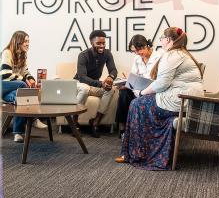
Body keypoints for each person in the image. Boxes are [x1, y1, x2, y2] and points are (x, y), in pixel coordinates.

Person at [115, 27, 204, 170]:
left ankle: (138, 153)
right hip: (184, 100)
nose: (161, 40)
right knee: (137, 102)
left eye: (162, 38)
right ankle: (141, 151)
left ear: (168, 40)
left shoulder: (172, 55)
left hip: (180, 100)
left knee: (137, 104)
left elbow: (162, 83)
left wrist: (142, 92)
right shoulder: (180, 53)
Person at [0, 30, 46, 143]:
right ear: (18, 42)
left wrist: (30, 79)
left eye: (28, 41)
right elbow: (5, 75)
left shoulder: (22, 56)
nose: (27, 44)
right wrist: (25, 82)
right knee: (22, 85)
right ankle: (34, 119)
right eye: (25, 41)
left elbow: (25, 72)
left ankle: (18, 133)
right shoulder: (7, 53)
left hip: (7, 87)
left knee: (19, 97)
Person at [73, 30, 118, 138]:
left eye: (103, 43)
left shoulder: (107, 53)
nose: (102, 45)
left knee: (110, 90)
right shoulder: (83, 55)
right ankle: (74, 123)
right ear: (91, 43)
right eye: (98, 43)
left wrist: (110, 77)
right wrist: (101, 83)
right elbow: (82, 77)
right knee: (84, 89)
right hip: (79, 83)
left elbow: (113, 70)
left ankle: (95, 122)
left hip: (94, 85)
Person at [115, 35, 161, 138]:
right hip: (137, 90)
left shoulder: (159, 57)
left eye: (138, 50)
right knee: (123, 93)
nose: (137, 53)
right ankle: (123, 128)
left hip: (151, 91)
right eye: (134, 51)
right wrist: (126, 83)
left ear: (146, 46)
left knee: (133, 96)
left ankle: (139, 131)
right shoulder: (137, 59)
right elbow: (134, 77)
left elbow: (160, 80)